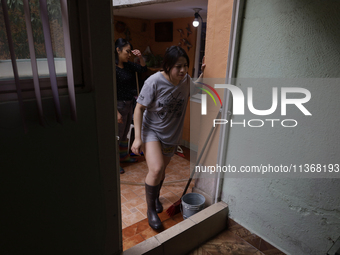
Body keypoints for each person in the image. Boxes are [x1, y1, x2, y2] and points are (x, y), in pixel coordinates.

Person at [131, 46, 205, 229]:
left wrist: (202, 74)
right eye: (178, 66)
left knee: (162, 170)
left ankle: (155, 196)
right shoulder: (154, 82)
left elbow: (193, 90)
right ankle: (150, 210)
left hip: (171, 133)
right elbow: (138, 108)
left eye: (185, 66)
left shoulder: (185, 79)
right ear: (167, 66)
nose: (182, 70)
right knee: (156, 169)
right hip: (152, 131)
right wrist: (137, 138)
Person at [115, 38, 147, 174]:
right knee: (116, 135)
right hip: (118, 105)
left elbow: (143, 68)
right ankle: (115, 163)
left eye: (130, 52)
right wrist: (115, 112)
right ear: (118, 50)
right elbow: (107, 91)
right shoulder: (112, 68)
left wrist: (140, 57)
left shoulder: (128, 65)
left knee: (125, 132)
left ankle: (124, 156)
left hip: (129, 103)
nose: (129, 54)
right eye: (127, 51)